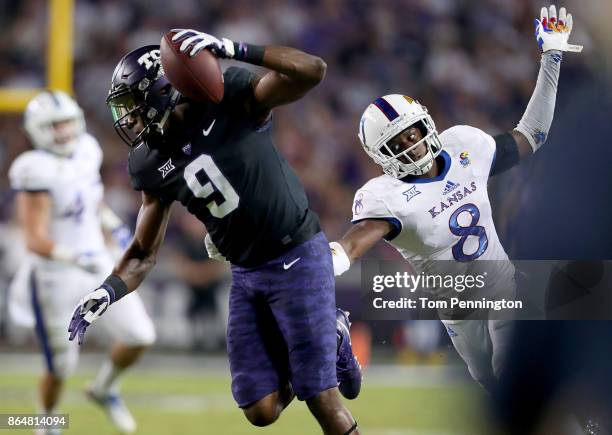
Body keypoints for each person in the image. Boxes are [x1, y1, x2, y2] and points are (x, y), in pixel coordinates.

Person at [68, 30, 361, 434]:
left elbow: (313, 71)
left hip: (296, 253)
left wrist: (234, 49)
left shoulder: (227, 97)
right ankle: (331, 335)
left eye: (132, 106)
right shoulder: (147, 162)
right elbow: (142, 253)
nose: (127, 119)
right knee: (261, 410)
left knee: (323, 403)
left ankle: (328, 346)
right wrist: (107, 290)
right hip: (246, 272)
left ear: (159, 92)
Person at [329, 5, 582, 392]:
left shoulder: (465, 144)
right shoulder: (385, 196)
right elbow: (355, 240)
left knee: (516, 382)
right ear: (380, 155)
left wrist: (552, 56)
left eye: (411, 133)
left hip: (503, 287)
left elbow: (532, 135)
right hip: (457, 310)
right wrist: (331, 260)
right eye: (396, 143)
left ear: (425, 123)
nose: (410, 145)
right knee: (489, 384)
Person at [8, 90, 156, 435]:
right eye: (54, 125)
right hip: (54, 276)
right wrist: (75, 256)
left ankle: (104, 388)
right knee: (61, 366)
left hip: (96, 262)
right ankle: (46, 425)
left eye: (66, 123)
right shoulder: (33, 169)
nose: (62, 131)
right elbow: (35, 239)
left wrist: (115, 226)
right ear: (38, 129)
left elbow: (90, 202)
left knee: (140, 335)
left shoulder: (87, 149)